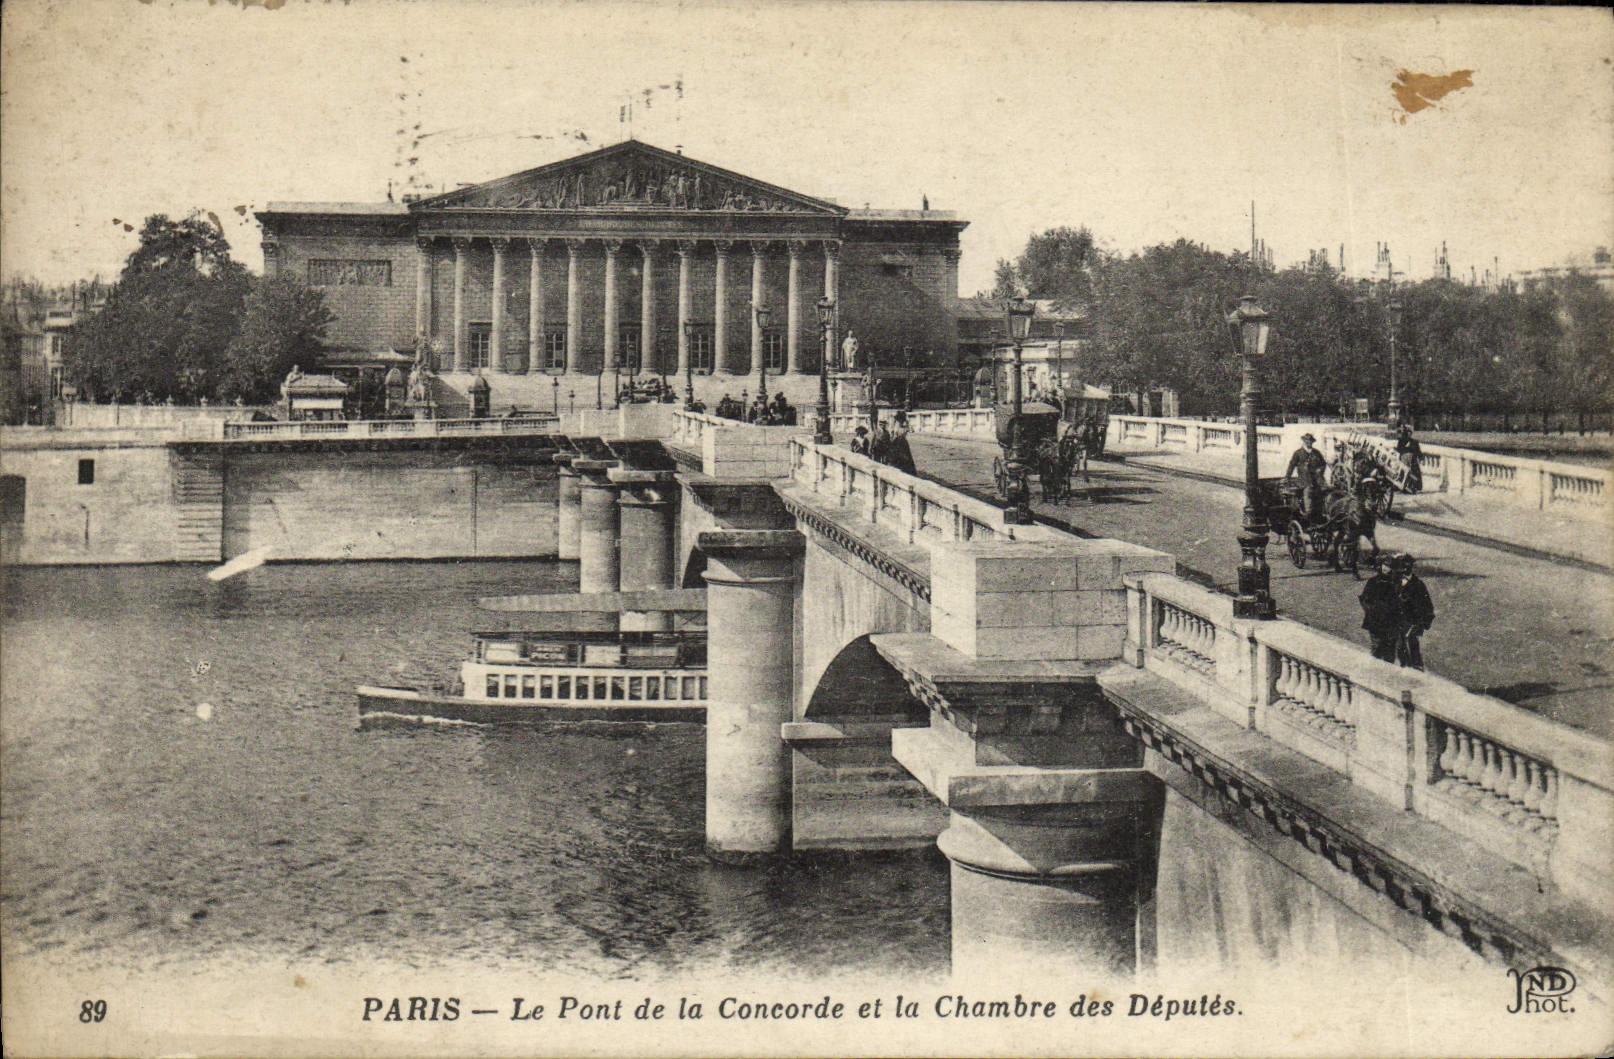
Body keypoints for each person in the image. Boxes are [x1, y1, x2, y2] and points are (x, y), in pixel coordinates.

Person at [1392, 553, 1434, 670]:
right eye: (1402, 566)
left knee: (1411, 643)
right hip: (1397, 619)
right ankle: (1406, 666)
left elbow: (1427, 606)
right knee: (1399, 646)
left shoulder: (1418, 585)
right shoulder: (1395, 581)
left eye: (1406, 566)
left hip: (1412, 621)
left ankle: (1416, 666)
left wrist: (1423, 623)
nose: (1403, 569)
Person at [1285, 432, 1328, 521]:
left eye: (1311, 441)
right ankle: (1309, 514)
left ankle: (1323, 512)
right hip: (1304, 480)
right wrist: (1287, 477)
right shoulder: (1298, 453)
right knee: (1308, 492)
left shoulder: (1316, 453)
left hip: (1317, 479)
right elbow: (1291, 465)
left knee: (1325, 492)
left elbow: (1323, 464)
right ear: (1304, 441)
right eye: (1307, 441)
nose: (1309, 443)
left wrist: (1320, 470)